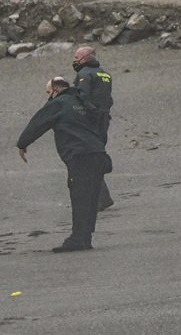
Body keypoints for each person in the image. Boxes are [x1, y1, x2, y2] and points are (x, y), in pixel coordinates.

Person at [17, 77, 112, 252]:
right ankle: (85, 238)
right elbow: (102, 121)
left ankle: (77, 238)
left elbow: (38, 123)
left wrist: (22, 144)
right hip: (98, 153)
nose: (48, 96)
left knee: (80, 196)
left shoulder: (59, 103)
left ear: (56, 90)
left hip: (80, 155)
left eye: (48, 93)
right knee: (91, 199)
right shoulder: (84, 102)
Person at [72, 45, 115, 211]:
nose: (75, 61)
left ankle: (100, 199)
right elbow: (108, 100)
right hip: (104, 121)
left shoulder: (84, 74)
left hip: (91, 121)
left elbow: (82, 98)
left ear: (84, 58)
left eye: (76, 58)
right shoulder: (106, 75)